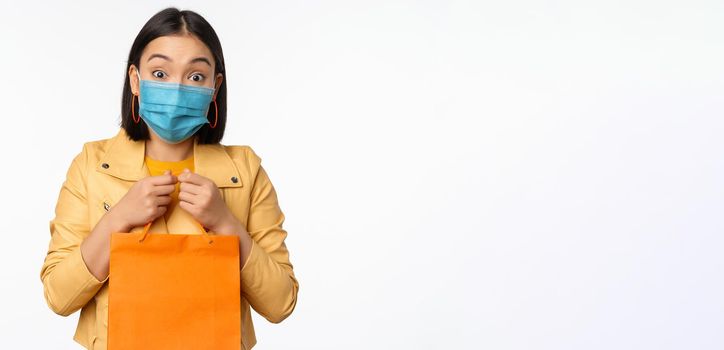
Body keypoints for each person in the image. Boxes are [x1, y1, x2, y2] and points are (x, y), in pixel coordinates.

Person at [39, 7, 299, 349]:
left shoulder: (245, 170)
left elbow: (281, 303)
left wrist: (226, 224)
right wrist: (118, 218)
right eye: (160, 73)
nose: (176, 90)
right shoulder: (92, 165)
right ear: (135, 79)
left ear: (214, 86)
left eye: (195, 77)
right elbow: (59, 296)